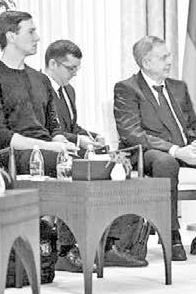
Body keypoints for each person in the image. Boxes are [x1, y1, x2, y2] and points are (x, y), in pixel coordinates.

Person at [113, 35, 196, 259]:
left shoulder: (178, 87)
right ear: (146, 62)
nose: (170, 61)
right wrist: (175, 150)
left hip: (186, 150)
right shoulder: (127, 88)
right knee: (166, 163)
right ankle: (172, 236)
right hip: (150, 153)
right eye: (163, 57)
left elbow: (194, 125)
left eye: (169, 56)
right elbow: (132, 134)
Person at [0, 11, 81, 271]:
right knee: (71, 166)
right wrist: (50, 147)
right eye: (31, 32)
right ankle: (66, 249)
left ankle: (74, 245)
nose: (37, 37)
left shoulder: (40, 79)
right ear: (11, 37)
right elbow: (0, 136)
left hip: (47, 150)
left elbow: (53, 126)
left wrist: (61, 142)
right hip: (13, 155)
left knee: (97, 165)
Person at [40, 39, 146, 270]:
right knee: (80, 174)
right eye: (71, 68)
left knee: (118, 167)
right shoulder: (37, 87)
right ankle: (67, 249)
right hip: (49, 152)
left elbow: (71, 126)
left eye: (77, 68)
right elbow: (44, 130)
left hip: (72, 149)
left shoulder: (68, 90)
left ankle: (110, 243)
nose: (75, 73)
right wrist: (78, 140)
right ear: (53, 64)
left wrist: (91, 136)